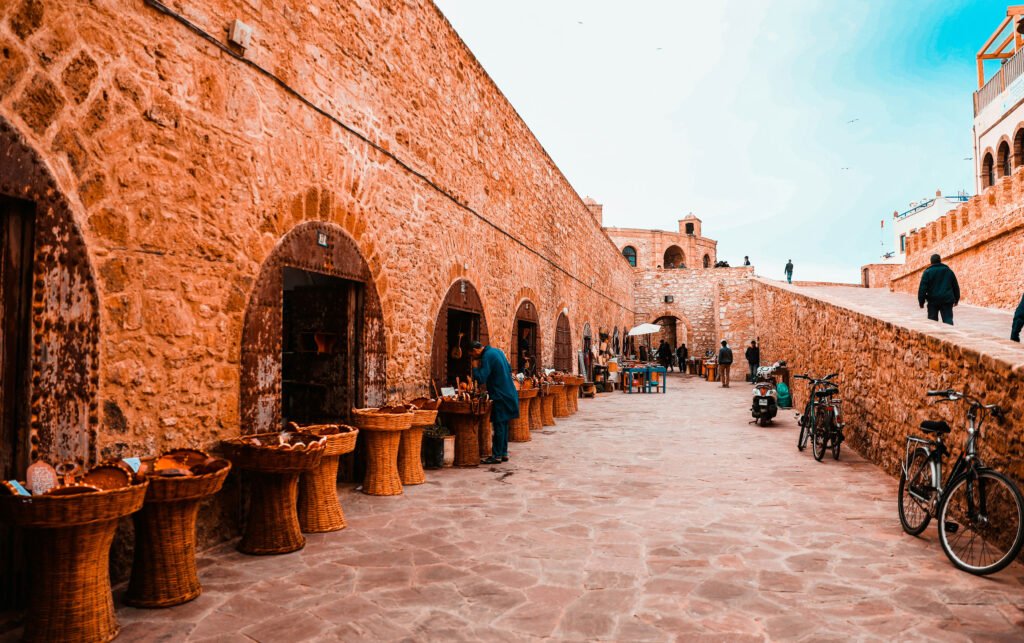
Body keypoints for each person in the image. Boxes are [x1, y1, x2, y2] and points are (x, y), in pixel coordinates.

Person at [470, 341, 518, 464]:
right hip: (509, 392)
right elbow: (509, 368)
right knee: (504, 424)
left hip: (500, 394)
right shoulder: (497, 351)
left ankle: (496, 455)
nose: (473, 358)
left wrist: (475, 367)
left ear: (475, 350)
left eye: (472, 355)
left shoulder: (487, 356)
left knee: (499, 425)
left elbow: (481, 378)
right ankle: (503, 453)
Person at [917, 254, 960, 325]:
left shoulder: (927, 272)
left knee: (932, 321)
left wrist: (921, 302)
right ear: (940, 260)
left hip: (933, 300)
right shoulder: (949, 271)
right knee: (948, 320)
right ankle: (949, 331)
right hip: (946, 300)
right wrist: (956, 299)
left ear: (931, 262)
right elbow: (955, 286)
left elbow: (922, 289)